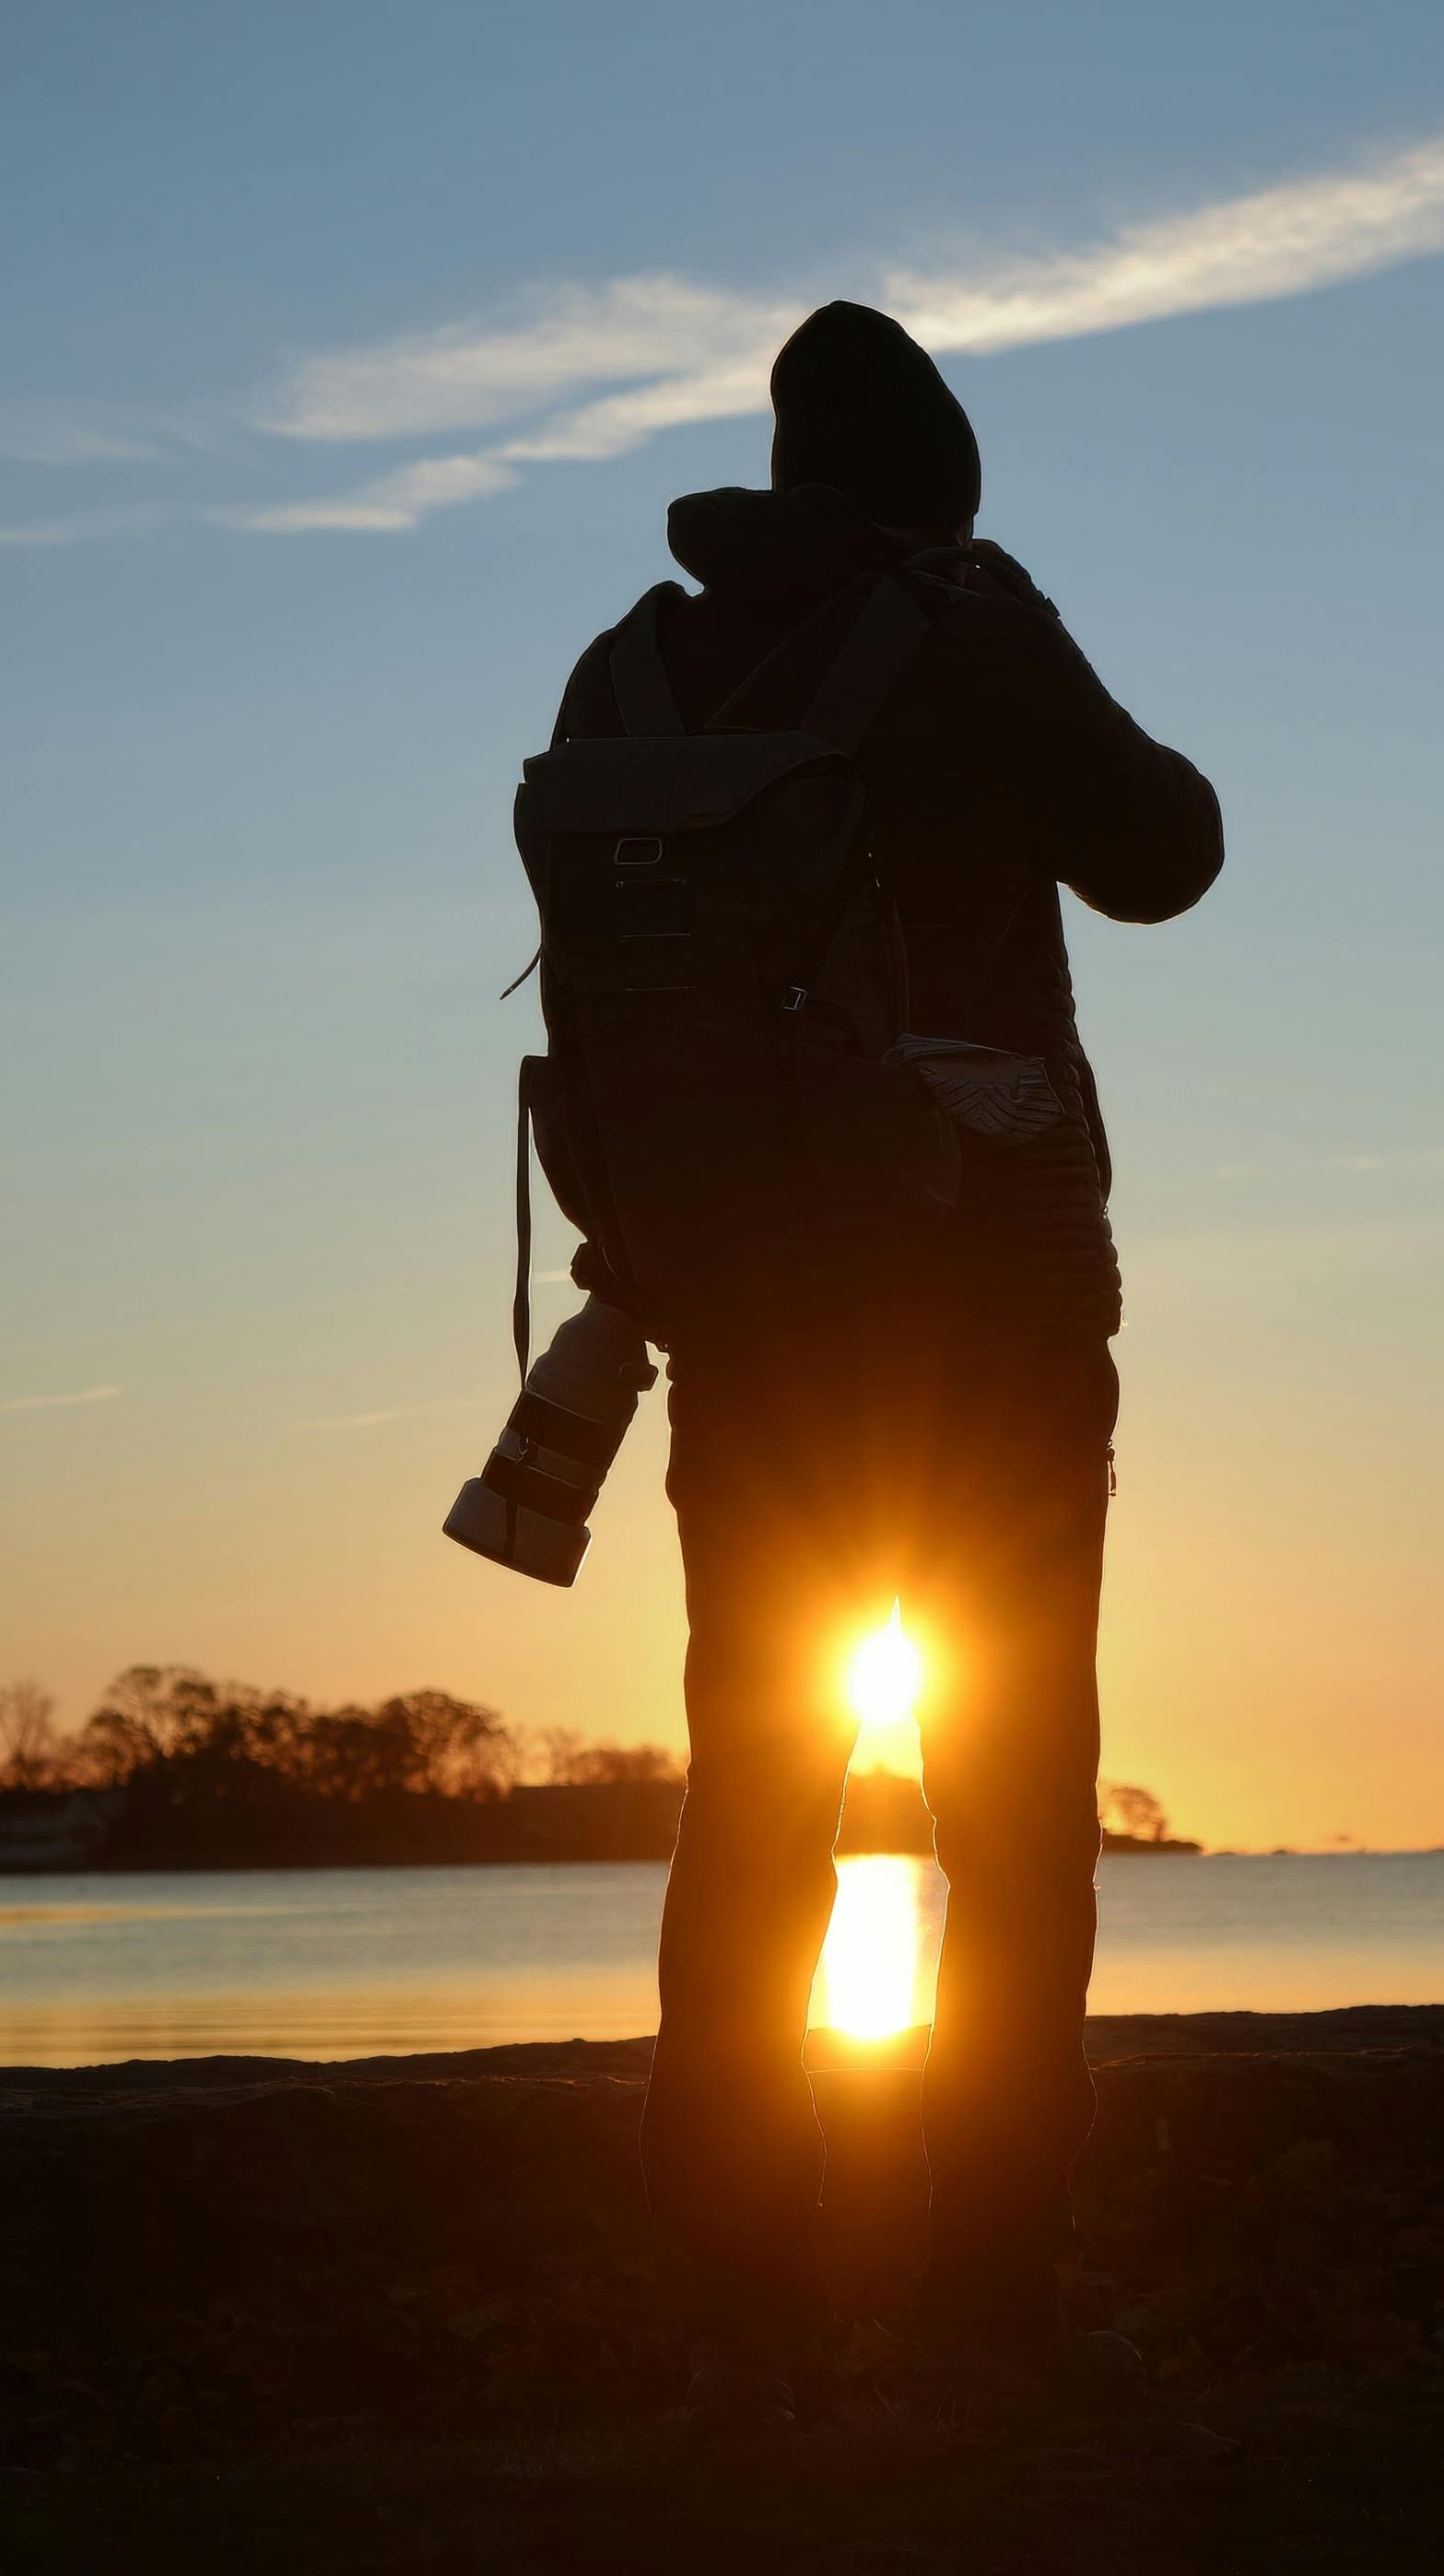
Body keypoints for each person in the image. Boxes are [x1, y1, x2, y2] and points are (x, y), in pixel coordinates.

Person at [541, 302, 1222, 2394]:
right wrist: (1015, 632)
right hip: (990, 1299)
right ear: (940, 486)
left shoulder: (631, 666)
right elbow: (1164, 852)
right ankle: (989, 2312)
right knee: (1009, 1806)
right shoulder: (967, 624)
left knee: (752, 1804)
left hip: (739, 1318)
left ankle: (738, 2322)